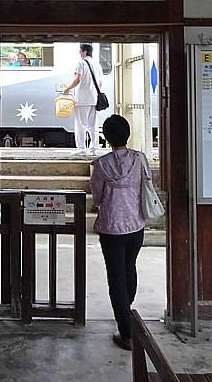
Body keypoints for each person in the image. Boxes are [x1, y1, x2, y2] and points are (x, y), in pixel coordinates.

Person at [89, 114, 151, 352]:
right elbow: (147, 184)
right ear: (128, 134)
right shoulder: (140, 159)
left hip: (111, 228)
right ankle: (127, 309)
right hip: (136, 226)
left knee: (116, 278)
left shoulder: (102, 165)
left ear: (106, 137)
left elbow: (97, 196)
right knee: (129, 268)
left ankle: (126, 332)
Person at [62, 43, 101, 155]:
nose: (79, 53)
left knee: (81, 124)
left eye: (80, 51)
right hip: (94, 99)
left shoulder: (81, 63)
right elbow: (100, 84)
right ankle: (93, 149)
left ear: (84, 52)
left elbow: (78, 79)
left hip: (82, 98)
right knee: (93, 125)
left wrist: (68, 89)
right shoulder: (97, 65)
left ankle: (81, 148)